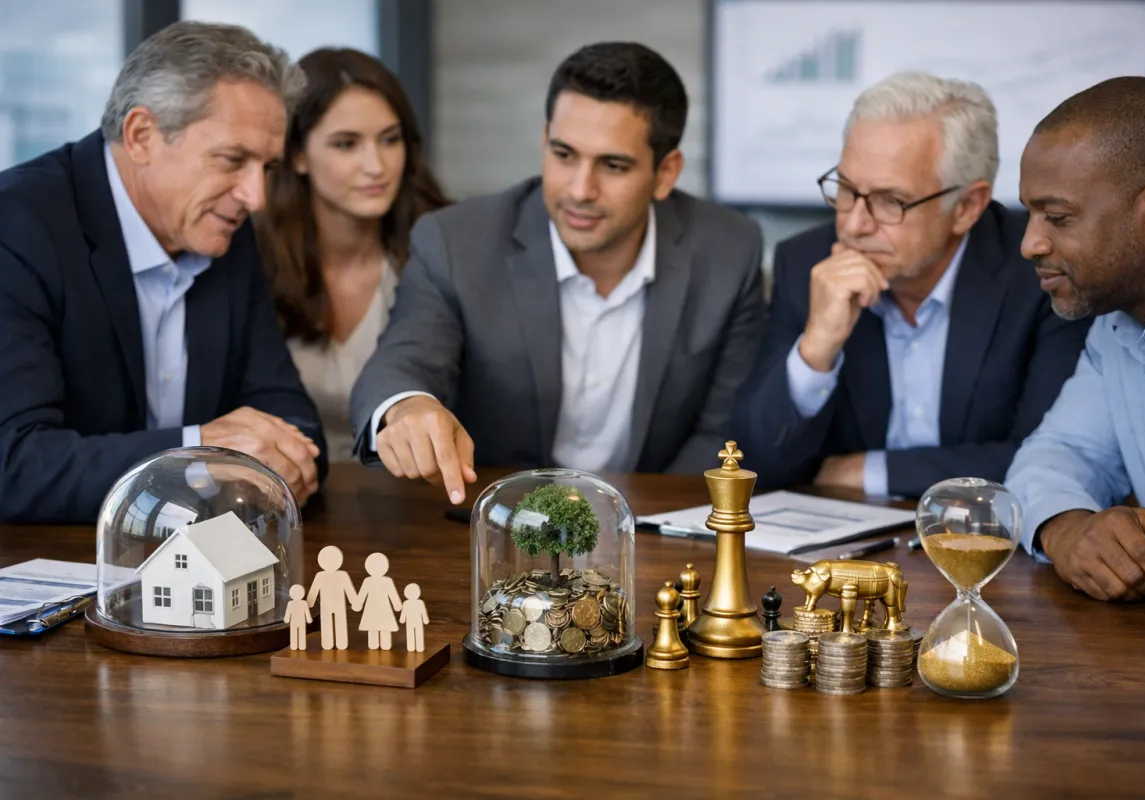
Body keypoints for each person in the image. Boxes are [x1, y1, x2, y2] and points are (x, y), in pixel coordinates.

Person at [350, 41, 766, 503]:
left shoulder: (729, 251)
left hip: (652, 533)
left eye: (613, 165)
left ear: (666, 173)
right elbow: (401, 361)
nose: (580, 190)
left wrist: (624, 528)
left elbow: (724, 430)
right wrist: (408, 405)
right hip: (494, 528)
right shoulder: (455, 242)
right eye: (564, 154)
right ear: (545, 139)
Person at [0, 21, 327, 523]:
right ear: (141, 136)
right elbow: (14, 465)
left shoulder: (222, 228)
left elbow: (292, 423)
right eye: (232, 159)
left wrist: (266, 454)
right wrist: (197, 454)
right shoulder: (17, 225)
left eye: (266, 167)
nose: (255, 197)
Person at [732, 72, 1090, 497]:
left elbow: (1054, 457)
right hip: (837, 550)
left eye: (890, 201)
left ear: (967, 207)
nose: (852, 224)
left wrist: (871, 472)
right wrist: (817, 348)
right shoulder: (808, 264)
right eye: (846, 190)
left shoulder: (1041, 272)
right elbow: (748, 465)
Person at [1005, 76, 1145, 607]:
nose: (1030, 243)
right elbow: (1054, 454)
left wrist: (1133, 561)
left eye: (1059, 217)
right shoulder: (1115, 325)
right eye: (1030, 213)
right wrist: (1067, 530)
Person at [257, 48, 450, 462]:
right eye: (347, 144)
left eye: (390, 139)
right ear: (298, 154)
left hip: (421, 504)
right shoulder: (251, 256)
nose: (375, 165)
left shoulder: (446, 251)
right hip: (289, 501)